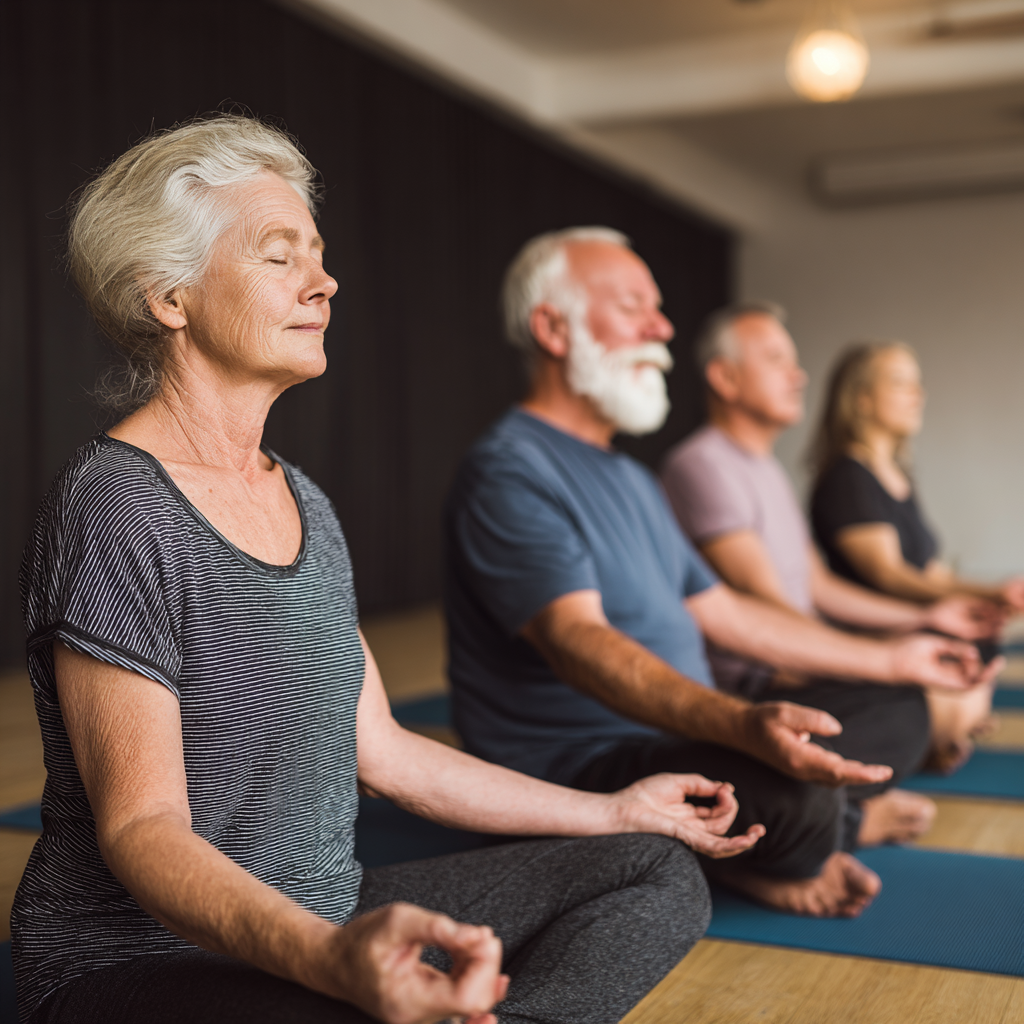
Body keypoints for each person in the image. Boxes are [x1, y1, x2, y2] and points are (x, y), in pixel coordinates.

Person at [13, 117, 762, 1024]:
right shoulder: (114, 505)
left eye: (319, 256)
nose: (324, 282)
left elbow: (388, 753)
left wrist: (615, 811)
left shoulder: (308, 505)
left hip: (326, 919)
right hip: (140, 962)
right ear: (168, 296)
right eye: (279, 256)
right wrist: (333, 960)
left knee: (651, 866)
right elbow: (141, 831)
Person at [444, 227, 1002, 921]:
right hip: (584, 762)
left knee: (902, 705)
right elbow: (577, 643)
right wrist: (741, 725)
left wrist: (893, 656)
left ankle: (744, 844)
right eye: (634, 306)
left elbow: (729, 615)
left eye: (659, 307)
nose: (663, 326)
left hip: (682, 735)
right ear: (552, 329)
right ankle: (783, 844)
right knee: (800, 797)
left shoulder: (633, 478)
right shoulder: (510, 470)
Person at [661, 306, 1006, 775]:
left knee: (938, 688)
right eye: (776, 359)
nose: (799, 375)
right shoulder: (701, 465)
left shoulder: (768, 469)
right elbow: (765, 602)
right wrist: (872, 661)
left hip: (805, 650)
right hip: (762, 679)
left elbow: (817, 584)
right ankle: (856, 806)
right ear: (725, 377)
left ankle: (879, 781)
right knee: (916, 707)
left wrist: (923, 615)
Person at [809, 340, 1024, 609]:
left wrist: (996, 592)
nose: (918, 394)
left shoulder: (897, 475)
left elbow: (931, 573)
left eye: (917, 383)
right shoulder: (848, 479)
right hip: (885, 640)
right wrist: (984, 599)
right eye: (900, 383)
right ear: (862, 399)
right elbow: (887, 574)